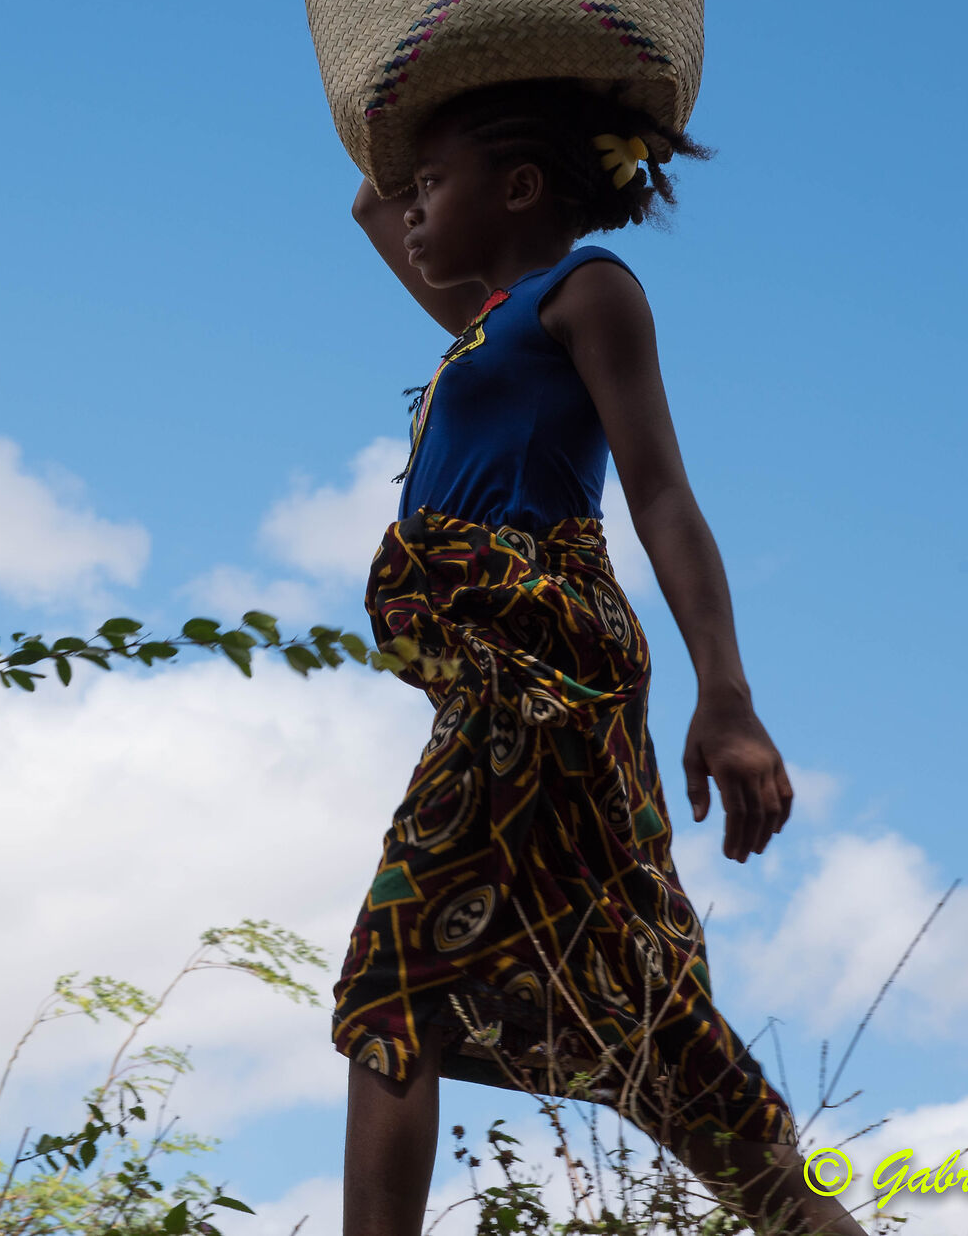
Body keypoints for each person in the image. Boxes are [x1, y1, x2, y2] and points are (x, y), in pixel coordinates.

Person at [338, 79, 864, 1236]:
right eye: (418, 187)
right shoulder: (485, 320)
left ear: (520, 188)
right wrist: (433, 41)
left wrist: (726, 697)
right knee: (645, 1016)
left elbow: (664, 493)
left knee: (397, 980)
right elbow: (371, 197)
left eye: (440, 187)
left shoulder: (587, 292)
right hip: (505, 675)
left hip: (544, 667)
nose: (413, 211)